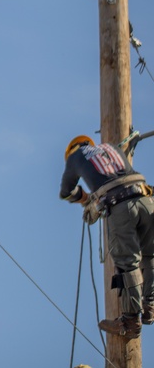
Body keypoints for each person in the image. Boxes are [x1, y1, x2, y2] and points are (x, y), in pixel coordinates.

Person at [60, 134, 154, 339]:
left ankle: (130, 322)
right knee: (149, 255)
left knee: (127, 264)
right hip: (146, 199)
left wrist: (86, 200)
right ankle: (150, 306)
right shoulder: (110, 148)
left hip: (121, 206)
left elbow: (67, 191)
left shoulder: (75, 157)